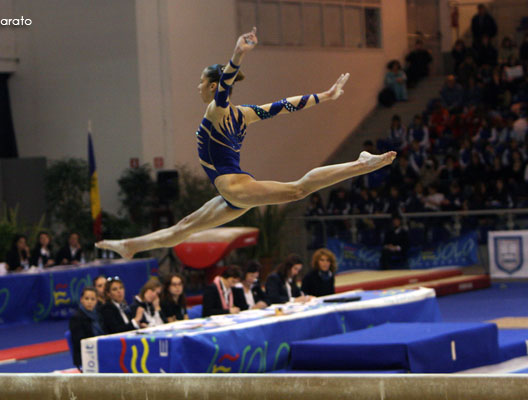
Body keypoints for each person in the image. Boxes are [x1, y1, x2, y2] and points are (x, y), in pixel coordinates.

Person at [96, 27, 396, 259]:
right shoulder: (244, 115)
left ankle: (361, 163)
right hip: (230, 193)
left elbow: (229, 87)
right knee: (183, 228)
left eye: (202, 81)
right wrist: (324, 97)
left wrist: (238, 54)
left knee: (298, 190)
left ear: (212, 86)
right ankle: (130, 246)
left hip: (234, 186)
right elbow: (283, 106)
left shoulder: (217, 110)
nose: (198, 85)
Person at [69, 286, 105, 370]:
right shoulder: (76, 318)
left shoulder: (99, 315)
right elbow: (80, 342)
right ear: (81, 299)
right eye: (87, 298)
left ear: (97, 301)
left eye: (93, 299)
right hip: (87, 355)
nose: (90, 302)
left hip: (102, 350)